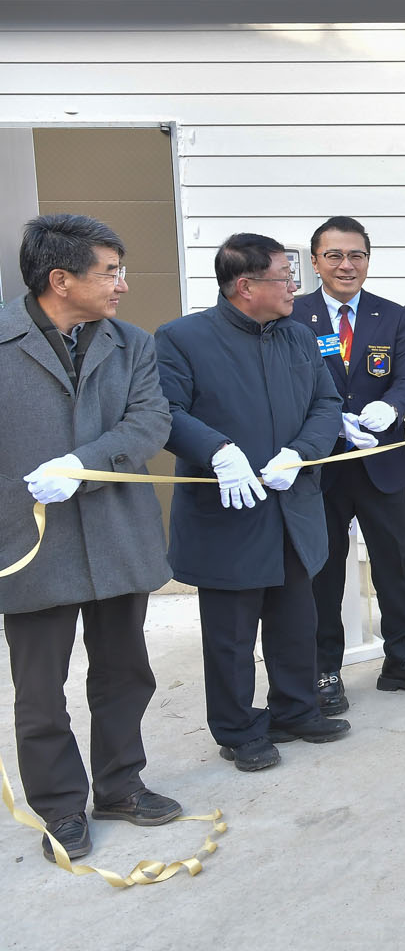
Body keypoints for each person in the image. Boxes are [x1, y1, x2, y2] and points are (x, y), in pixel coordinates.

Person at [0, 215, 181, 862]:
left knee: (125, 672)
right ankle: (59, 808)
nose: (123, 285)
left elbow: (150, 419)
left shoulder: (132, 344)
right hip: (27, 543)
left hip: (116, 535)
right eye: (110, 273)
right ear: (61, 279)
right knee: (40, 691)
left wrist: (82, 464)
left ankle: (121, 786)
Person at [157, 233, 349, 773]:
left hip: (291, 506)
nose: (294, 287)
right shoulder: (182, 338)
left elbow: (326, 402)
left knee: (296, 619)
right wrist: (217, 451)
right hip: (228, 510)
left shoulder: (298, 336)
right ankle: (238, 730)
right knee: (231, 634)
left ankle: (296, 709)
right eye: (285, 277)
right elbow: (165, 411)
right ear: (245, 286)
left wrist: (301, 452)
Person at [291, 217, 405, 713]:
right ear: (315, 261)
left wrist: (392, 408)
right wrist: (329, 420)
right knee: (323, 572)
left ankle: (403, 659)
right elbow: (289, 384)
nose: (347, 265)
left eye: (356, 255)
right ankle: (323, 669)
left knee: (393, 566)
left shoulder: (392, 316)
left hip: (381, 461)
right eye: (335, 255)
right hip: (322, 465)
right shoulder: (294, 315)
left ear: (368, 259)